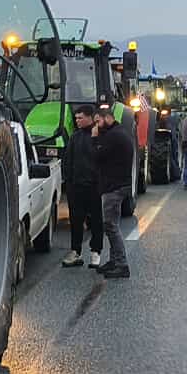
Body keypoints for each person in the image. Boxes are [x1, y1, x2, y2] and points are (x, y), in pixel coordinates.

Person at [92, 104, 134, 278]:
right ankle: (114, 260)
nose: (96, 126)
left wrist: (95, 139)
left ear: (107, 118)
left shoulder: (113, 136)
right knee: (112, 224)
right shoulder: (118, 132)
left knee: (110, 225)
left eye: (98, 121)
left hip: (113, 186)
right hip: (119, 184)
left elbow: (97, 156)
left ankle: (121, 264)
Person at [60, 106, 105, 268]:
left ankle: (96, 252)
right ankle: (75, 251)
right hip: (76, 186)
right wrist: (68, 181)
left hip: (94, 186)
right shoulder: (74, 137)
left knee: (96, 220)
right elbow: (67, 160)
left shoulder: (99, 135)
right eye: (76, 118)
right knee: (76, 220)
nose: (77, 121)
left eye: (80, 118)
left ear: (90, 118)